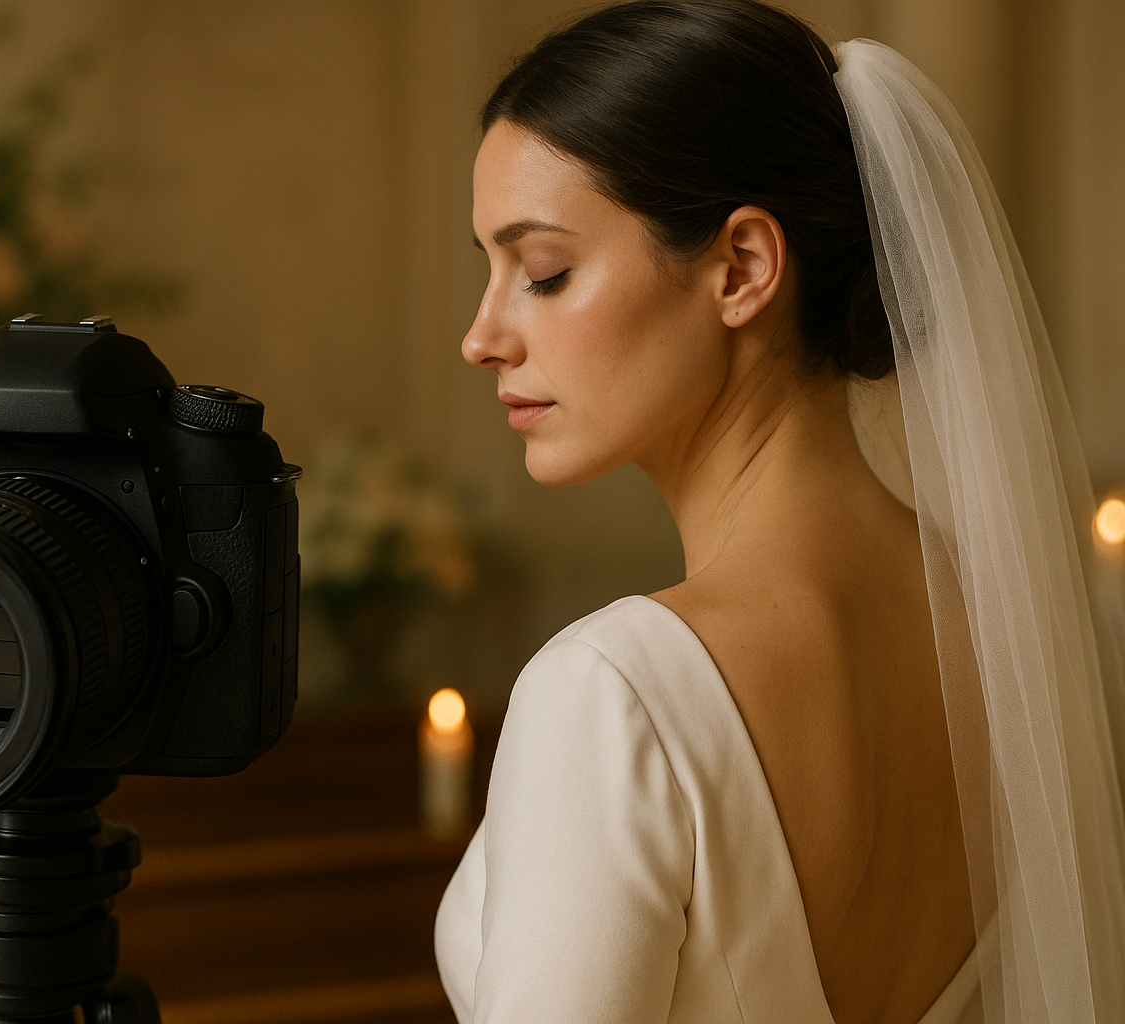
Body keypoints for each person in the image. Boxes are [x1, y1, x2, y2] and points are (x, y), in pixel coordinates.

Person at [433, 2, 1125, 1022]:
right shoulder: (1003, 625)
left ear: (743, 267)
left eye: (543, 272)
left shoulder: (612, 694)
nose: (482, 336)